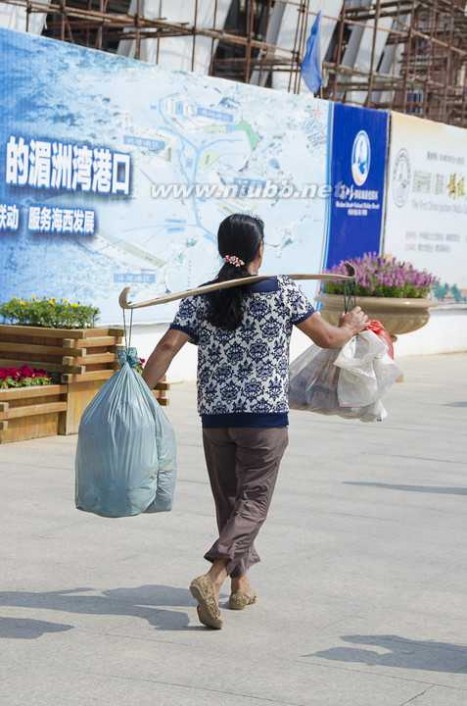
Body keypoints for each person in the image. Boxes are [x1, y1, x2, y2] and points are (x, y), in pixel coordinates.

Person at [142, 213, 369, 630]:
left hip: (215, 418)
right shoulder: (281, 291)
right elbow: (328, 339)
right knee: (252, 504)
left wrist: (138, 395)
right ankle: (213, 577)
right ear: (259, 250)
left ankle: (239, 584)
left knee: (230, 503)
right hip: (263, 418)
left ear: (221, 249)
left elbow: (168, 346)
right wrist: (351, 326)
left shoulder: (201, 297)